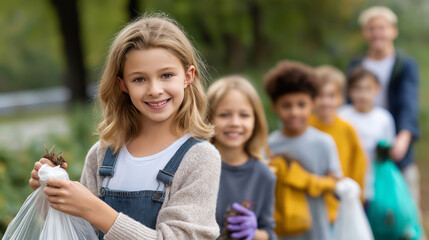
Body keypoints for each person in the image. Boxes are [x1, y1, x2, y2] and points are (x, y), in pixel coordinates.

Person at [28, 14, 221, 240]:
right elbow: (81, 233)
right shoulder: (102, 154)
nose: (155, 89)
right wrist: (52, 196)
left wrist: (95, 209)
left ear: (188, 76)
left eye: (166, 75)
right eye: (139, 79)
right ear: (123, 85)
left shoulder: (200, 158)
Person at [348, 6, 421, 206]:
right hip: (362, 147)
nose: (377, 33)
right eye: (372, 28)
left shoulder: (404, 65)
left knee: (403, 205)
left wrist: (404, 137)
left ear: (393, 31)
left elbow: (409, 102)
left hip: (393, 140)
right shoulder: (356, 65)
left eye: (382, 28)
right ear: (365, 33)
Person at [264, 60, 342, 240]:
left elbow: (336, 183)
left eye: (301, 104)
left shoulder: (324, 142)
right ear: (274, 106)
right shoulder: (269, 145)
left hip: (318, 230)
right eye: (286, 105)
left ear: (313, 104)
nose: (294, 112)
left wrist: (307, 181)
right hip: (282, 230)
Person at [206, 76, 276, 240]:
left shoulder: (265, 175)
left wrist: (254, 233)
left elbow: (269, 233)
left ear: (256, 121)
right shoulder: (195, 166)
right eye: (224, 115)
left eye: (244, 115)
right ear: (208, 118)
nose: (235, 123)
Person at [309, 65, 367, 223]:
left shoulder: (347, 129)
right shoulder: (305, 126)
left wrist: (356, 198)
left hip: (340, 205)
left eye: (331, 95)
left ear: (341, 98)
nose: (325, 101)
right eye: (319, 96)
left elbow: (359, 165)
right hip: (311, 205)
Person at [339, 66, 396, 207]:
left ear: (377, 89)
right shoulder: (342, 115)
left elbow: (388, 147)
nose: (362, 94)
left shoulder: (383, 118)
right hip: (345, 179)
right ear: (349, 91)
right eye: (357, 89)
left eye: (367, 89)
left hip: (373, 181)